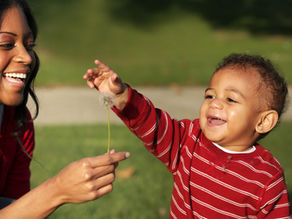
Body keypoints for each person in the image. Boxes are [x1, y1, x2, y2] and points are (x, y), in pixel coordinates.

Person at [83, 54, 291, 218]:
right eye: (210, 95)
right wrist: (119, 94)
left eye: (230, 99)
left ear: (263, 121)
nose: (215, 103)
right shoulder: (188, 141)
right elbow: (151, 124)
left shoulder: (266, 178)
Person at [0, 0, 130, 218]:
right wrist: (57, 190)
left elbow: (18, 207)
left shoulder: (19, 123)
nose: (26, 57)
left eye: (29, 45)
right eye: (6, 44)